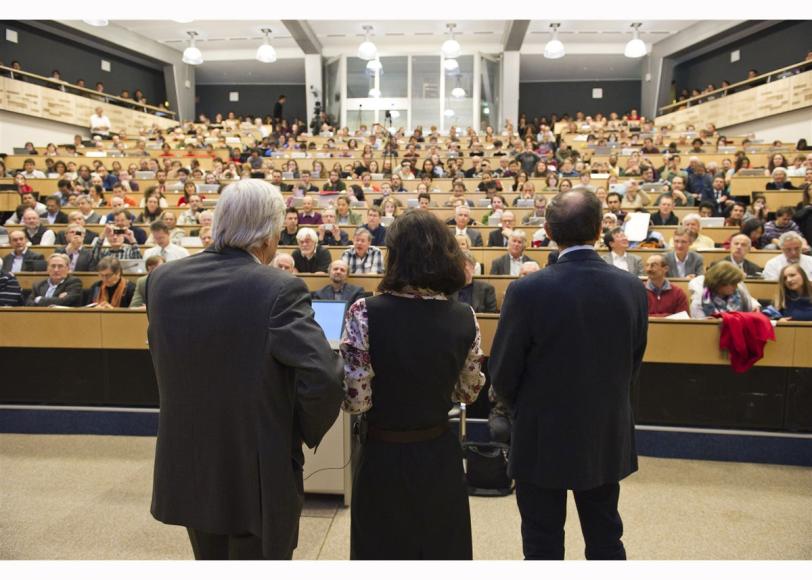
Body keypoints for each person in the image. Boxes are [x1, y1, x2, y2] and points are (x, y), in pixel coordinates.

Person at [146, 178, 344, 560]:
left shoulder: (161, 282)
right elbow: (324, 377)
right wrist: (293, 431)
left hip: (189, 462)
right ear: (269, 234)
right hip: (258, 470)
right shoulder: (279, 288)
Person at [490, 189, 647, 560]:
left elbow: (503, 371)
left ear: (547, 229)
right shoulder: (631, 287)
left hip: (541, 433)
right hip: (605, 430)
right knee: (606, 535)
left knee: (542, 540)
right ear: (598, 228)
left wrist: (515, 408)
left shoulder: (527, 289)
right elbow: (634, 360)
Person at [340, 209, 485, 559]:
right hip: (438, 451)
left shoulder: (363, 311)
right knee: (438, 549)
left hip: (383, 453)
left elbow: (356, 400)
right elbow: (468, 392)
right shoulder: (464, 315)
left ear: (395, 256)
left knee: (383, 549)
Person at [689, 261, 759, 319]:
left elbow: (750, 316)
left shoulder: (740, 293)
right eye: (732, 283)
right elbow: (700, 329)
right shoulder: (699, 301)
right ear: (719, 283)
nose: (735, 286)